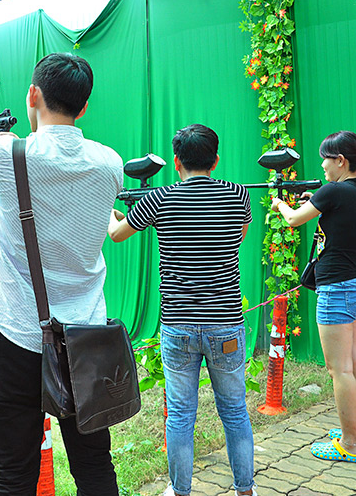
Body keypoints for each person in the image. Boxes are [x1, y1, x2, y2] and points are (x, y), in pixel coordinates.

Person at [0, 52, 123, 495]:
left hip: (17, 335)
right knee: (95, 467)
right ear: (84, 106)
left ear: (32, 95)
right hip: (86, 337)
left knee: (14, 476)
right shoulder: (111, 162)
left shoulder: (4, 152)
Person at [108, 124, 255, 496]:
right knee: (235, 411)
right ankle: (245, 490)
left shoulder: (158, 198)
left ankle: (180, 491)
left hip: (178, 326)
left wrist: (112, 212)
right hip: (226, 324)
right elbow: (237, 239)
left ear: (176, 162)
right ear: (215, 160)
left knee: (180, 414)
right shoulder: (238, 195)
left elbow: (117, 234)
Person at [271, 130, 356, 462]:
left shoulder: (333, 191)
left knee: (339, 370)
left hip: (337, 290)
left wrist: (279, 203)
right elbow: (336, 213)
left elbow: (292, 220)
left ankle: (349, 445)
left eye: (325, 159)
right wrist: (313, 200)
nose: (322, 165)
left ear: (340, 161)